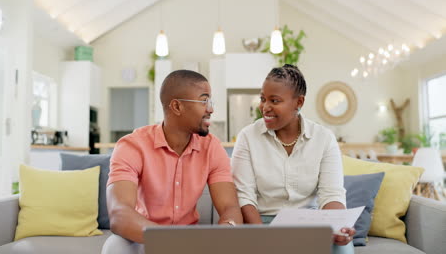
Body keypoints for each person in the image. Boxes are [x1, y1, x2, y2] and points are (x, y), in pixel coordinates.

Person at [103, 70, 243, 254]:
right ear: (177, 107)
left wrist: (227, 230)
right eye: (204, 101)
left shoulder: (212, 148)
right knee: (114, 247)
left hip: (192, 241)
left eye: (210, 102)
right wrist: (172, 242)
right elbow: (119, 214)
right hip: (144, 238)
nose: (210, 109)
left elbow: (229, 207)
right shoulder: (132, 145)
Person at [231, 64, 355, 253]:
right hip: (262, 222)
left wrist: (337, 226)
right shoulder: (247, 137)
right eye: (263, 99)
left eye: (274, 100)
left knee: (342, 249)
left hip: (309, 222)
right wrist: (262, 237)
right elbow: (244, 196)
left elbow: (331, 194)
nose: (265, 107)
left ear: (299, 102)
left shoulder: (323, 138)